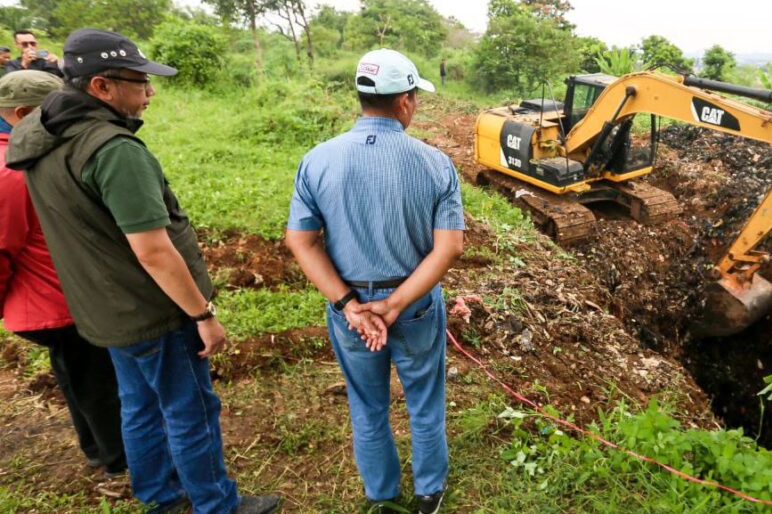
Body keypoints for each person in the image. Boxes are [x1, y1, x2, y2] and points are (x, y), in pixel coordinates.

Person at [5, 28, 278, 514]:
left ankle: (160, 497)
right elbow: (153, 250)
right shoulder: (113, 150)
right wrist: (202, 314)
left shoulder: (41, 134)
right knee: (190, 410)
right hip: (153, 309)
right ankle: (216, 505)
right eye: (139, 82)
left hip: (104, 308)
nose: (150, 92)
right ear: (101, 86)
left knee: (138, 404)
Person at [285, 48, 465, 514]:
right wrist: (395, 304)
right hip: (415, 303)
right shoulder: (435, 163)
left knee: (367, 403)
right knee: (424, 399)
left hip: (351, 309)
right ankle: (428, 493)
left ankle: (382, 497)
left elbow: (301, 241)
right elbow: (448, 247)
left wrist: (350, 305)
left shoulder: (317, 160)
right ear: (405, 100)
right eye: (415, 98)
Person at [0, 70, 128, 480]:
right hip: (57, 298)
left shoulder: (25, 156)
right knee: (96, 380)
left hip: (54, 297)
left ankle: (95, 447)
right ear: (23, 114)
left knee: (75, 373)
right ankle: (117, 459)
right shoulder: (12, 171)